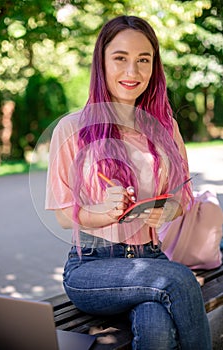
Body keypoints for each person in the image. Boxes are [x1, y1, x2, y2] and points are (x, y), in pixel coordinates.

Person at [46, 15, 212, 349]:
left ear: (154, 67)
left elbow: (184, 197)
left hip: (150, 259)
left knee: (157, 329)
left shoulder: (165, 128)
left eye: (143, 60)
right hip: (92, 267)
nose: (132, 72)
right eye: (120, 58)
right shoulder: (70, 130)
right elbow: (64, 216)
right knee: (180, 280)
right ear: (101, 63)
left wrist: (167, 211)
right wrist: (102, 213)